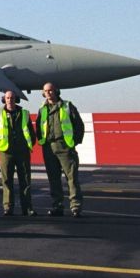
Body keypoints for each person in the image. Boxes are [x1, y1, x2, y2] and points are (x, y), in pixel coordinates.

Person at [37, 82, 85, 217]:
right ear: (43, 93)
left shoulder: (67, 106)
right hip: (49, 148)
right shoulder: (43, 108)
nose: (48, 93)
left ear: (56, 91)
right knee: (53, 179)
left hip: (65, 147)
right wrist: (42, 141)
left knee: (72, 178)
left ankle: (75, 207)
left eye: (51, 90)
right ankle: (57, 206)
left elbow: (79, 125)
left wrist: (73, 142)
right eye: (46, 91)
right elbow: (39, 127)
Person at [0, 90, 35, 216]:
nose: (10, 100)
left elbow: (30, 131)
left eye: (12, 98)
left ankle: (27, 208)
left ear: (16, 100)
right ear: (4, 99)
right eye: (8, 98)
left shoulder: (24, 113)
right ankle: (8, 207)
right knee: (7, 180)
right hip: (6, 151)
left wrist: (29, 144)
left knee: (25, 180)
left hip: (22, 151)